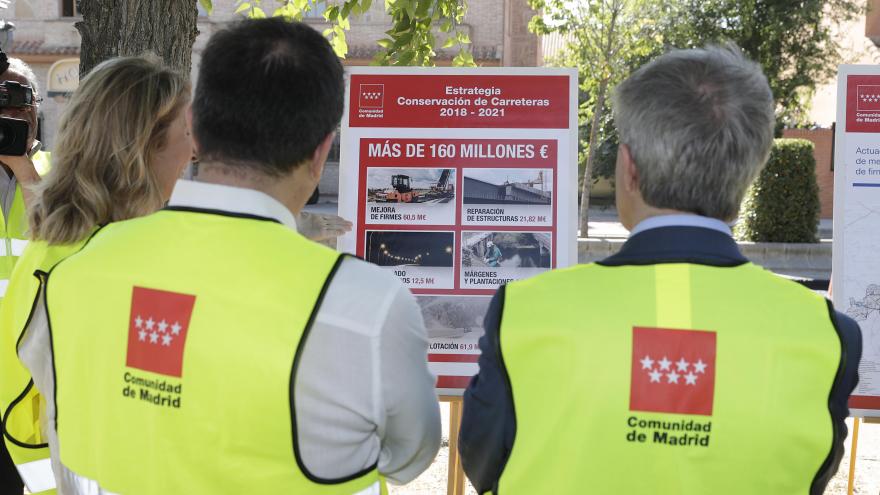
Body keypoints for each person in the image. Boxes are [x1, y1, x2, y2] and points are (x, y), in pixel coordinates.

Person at [19, 18, 440, 494]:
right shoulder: (368, 304)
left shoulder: (76, 268)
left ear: (195, 127)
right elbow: (409, 458)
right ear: (322, 150)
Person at [460, 44, 861, 494]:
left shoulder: (525, 312)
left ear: (628, 169)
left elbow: (483, 464)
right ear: (751, 171)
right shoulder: (826, 333)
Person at [0, 55, 193, 494]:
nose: (195, 148)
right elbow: (22, 412)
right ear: (143, 145)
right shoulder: (68, 263)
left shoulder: (162, 245)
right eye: (186, 131)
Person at [0, 52, 51, 494]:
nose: (12, 113)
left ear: (37, 107)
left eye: (21, 99)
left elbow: (65, 242)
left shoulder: (60, 175)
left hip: (32, 387)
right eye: (0, 102)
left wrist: (23, 168)